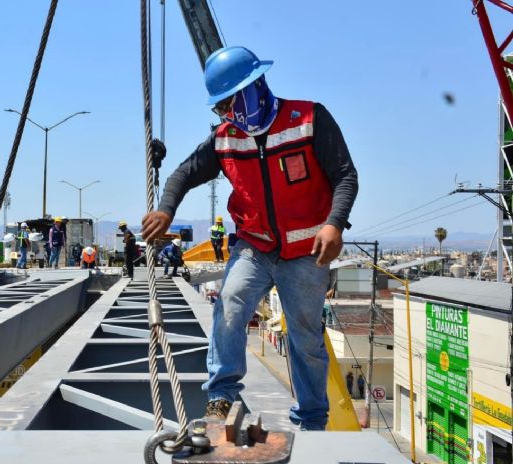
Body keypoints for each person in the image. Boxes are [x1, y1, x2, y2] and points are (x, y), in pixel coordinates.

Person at [141, 46, 358, 430]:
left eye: (228, 103)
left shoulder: (308, 120)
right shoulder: (225, 139)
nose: (225, 114)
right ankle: (221, 396)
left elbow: (345, 174)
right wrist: (165, 209)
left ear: (253, 88)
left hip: (306, 252)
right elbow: (182, 174)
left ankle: (311, 418)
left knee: (305, 338)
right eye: (219, 108)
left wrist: (334, 224)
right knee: (229, 304)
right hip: (255, 246)